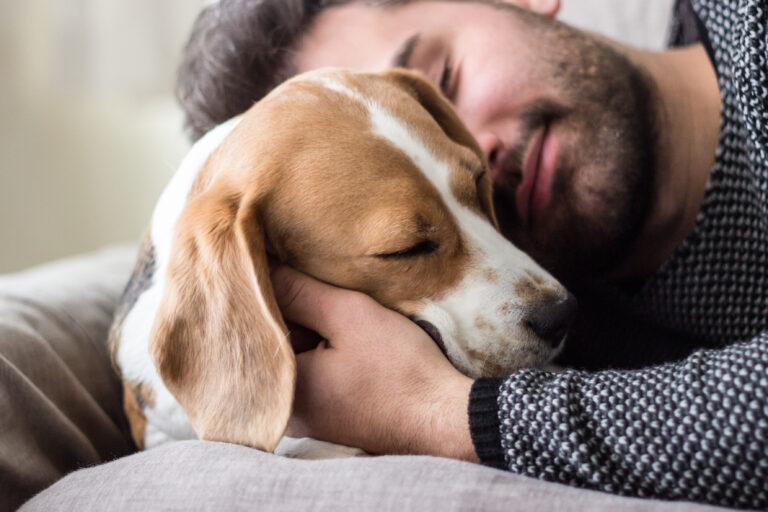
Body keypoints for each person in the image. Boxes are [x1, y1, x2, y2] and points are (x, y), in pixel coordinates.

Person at [176, 0, 768, 508]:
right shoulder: (555, 330)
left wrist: (453, 417)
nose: (468, 144)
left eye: (443, 79)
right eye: (405, 242)